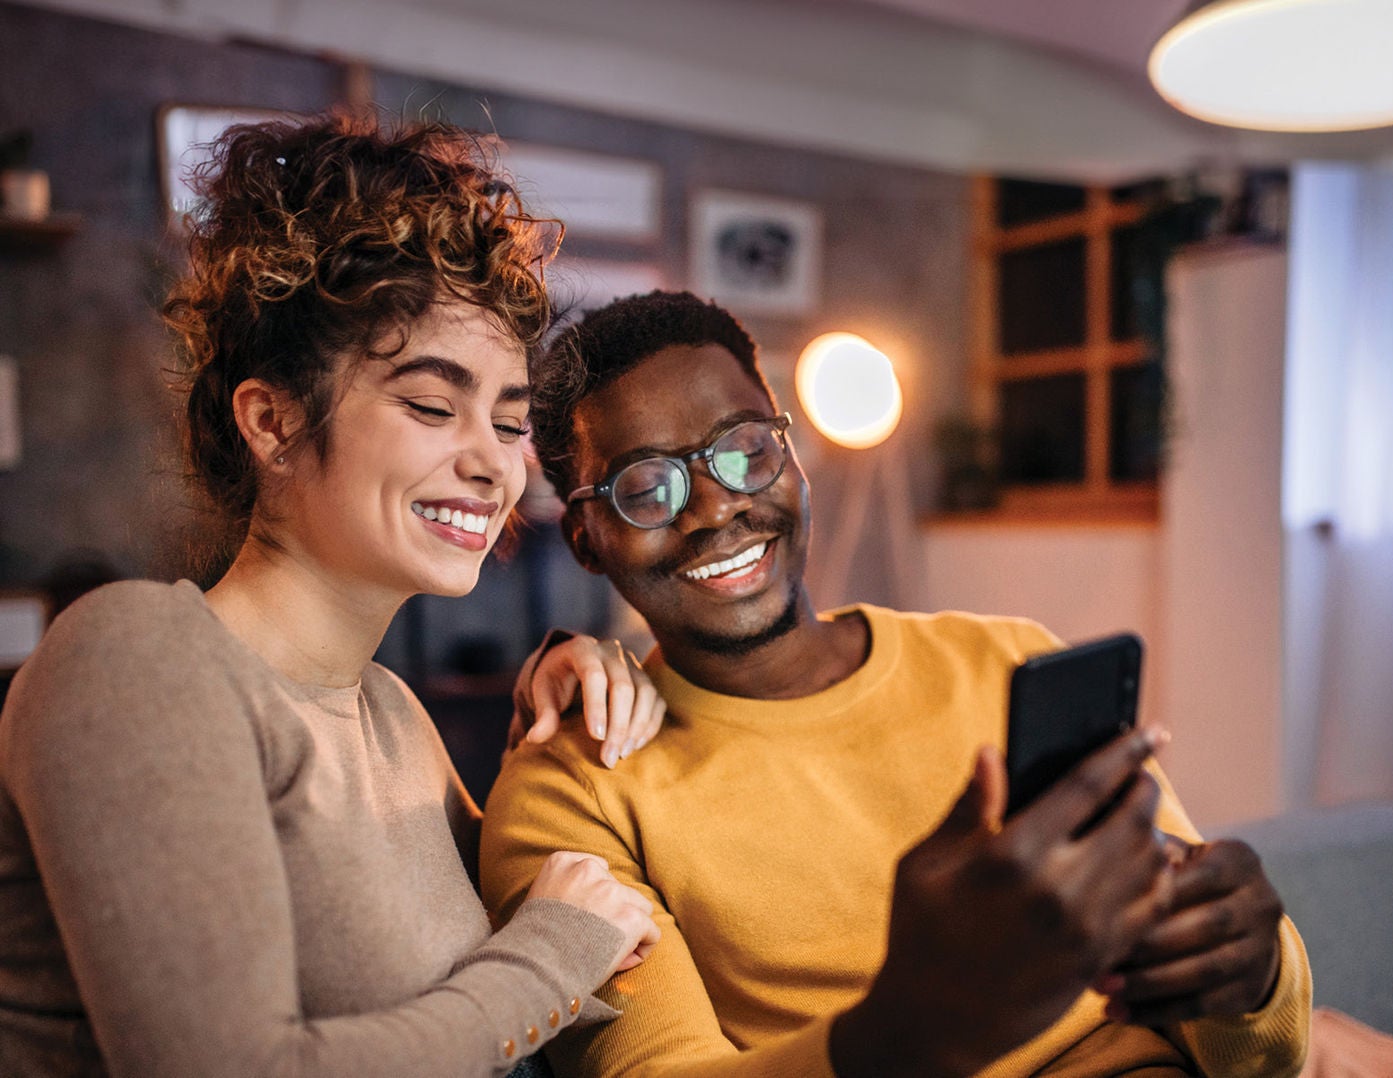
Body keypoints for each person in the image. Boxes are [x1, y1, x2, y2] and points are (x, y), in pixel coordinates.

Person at [481, 291, 1314, 1077]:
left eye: (744, 450)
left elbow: (1256, 1058)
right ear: (587, 540)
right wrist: (916, 1023)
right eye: (646, 487)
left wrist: (1253, 974)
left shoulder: (1007, 660)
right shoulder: (573, 788)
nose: (713, 507)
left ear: (792, 458)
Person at [0, 116, 668, 1077]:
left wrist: (556, 703)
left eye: (509, 422)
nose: (490, 464)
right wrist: (553, 957)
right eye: (432, 407)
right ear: (272, 422)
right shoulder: (136, 657)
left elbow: (541, 913)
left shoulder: (392, 715)